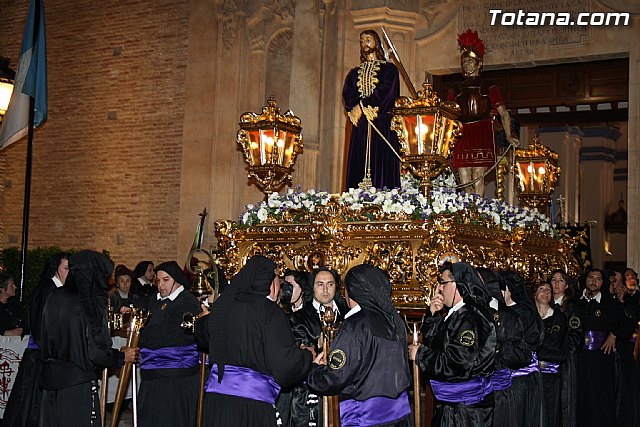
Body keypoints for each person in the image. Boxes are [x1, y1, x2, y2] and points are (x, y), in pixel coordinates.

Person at [195, 255, 314, 427]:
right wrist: (306, 357)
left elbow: (203, 335)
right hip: (251, 405)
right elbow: (285, 366)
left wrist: (202, 321)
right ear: (271, 283)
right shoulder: (270, 312)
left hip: (216, 403)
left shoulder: (224, 306)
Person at [39, 250, 138, 427]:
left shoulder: (54, 296)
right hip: (78, 384)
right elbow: (96, 352)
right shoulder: (89, 302)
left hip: (50, 383)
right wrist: (121, 356)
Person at [307, 264, 411, 426]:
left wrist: (315, 371)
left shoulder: (355, 324)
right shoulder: (392, 320)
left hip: (365, 417)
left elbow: (336, 377)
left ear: (350, 292)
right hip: (398, 416)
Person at [409, 262, 496, 426]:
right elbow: (437, 346)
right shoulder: (456, 313)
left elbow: (456, 364)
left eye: (442, 282)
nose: (439, 288)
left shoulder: (470, 317)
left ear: (457, 285)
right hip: (454, 406)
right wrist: (434, 316)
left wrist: (420, 354)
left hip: (466, 411)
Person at [449, 29, 518, 196]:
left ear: (479, 63)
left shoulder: (489, 87)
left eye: (470, 61)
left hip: (482, 131)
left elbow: (504, 113)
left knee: (478, 176)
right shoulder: (456, 89)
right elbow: (447, 115)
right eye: (464, 62)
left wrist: (509, 135)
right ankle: (470, 210)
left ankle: (476, 214)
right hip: (462, 133)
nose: (467, 65)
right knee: (465, 179)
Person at [2, 253, 68, 427]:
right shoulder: (47, 290)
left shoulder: (57, 289)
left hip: (47, 353)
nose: (70, 273)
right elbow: (40, 324)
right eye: (66, 268)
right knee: (33, 405)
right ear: (56, 269)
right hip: (40, 355)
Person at [135, 260, 201, 427]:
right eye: (158, 280)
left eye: (166, 280)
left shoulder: (187, 301)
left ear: (177, 280)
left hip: (174, 378)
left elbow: (171, 335)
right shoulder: (156, 300)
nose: (161, 285)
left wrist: (144, 336)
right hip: (153, 375)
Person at [288, 268, 348, 426]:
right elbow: (297, 352)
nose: (325, 289)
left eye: (330, 284)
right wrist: (319, 346)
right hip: (310, 392)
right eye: (320, 284)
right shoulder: (299, 318)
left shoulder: (348, 315)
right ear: (312, 287)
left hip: (345, 390)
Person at [343, 29, 401, 190]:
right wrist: (356, 108)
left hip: (381, 123)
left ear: (377, 43)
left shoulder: (390, 70)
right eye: (362, 41)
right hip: (360, 126)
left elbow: (386, 91)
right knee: (358, 161)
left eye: (368, 39)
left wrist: (362, 106)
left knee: (381, 161)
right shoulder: (353, 73)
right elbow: (348, 93)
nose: (364, 43)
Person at [477, 267, 530, 427]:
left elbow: (523, 355)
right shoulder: (471, 312)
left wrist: (498, 347)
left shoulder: (510, 317)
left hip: (498, 393)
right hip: (473, 394)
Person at [575, 268, 625, 427]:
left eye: (598, 279)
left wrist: (614, 334)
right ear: (585, 279)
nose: (593, 281)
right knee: (581, 393)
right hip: (579, 356)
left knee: (602, 394)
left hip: (602, 356)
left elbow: (623, 322)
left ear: (602, 283)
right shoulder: (575, 301)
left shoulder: (609, 302)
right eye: (590, 277)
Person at [500, 271, 544, 427]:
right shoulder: (500, 311)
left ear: (509, 290)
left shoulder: (524, 312)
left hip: (520, 376)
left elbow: (531, 341)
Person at [549, 269, 583, 427]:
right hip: (546, 361)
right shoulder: (544, 303)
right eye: (553, 280)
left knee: (565, 401)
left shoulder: (572, 308)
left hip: (565, 361)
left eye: (560, 280)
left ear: (567, 285)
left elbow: (576, 338)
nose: (556, 283)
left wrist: (559, 350)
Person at [534, 282, 568, 427]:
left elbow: (554, 345)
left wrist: (534, 351)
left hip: (550, 376)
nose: (545, 292)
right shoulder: (528, 317)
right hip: (530, 376)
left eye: (548, 290)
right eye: (541, 289)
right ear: (534, 294)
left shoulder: (558, 318)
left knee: (550, 413)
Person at [611, 271, 640, 426]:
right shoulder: (615, 300)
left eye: (632, 277)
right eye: (626, 278)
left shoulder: (634, 300)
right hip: (619, 348)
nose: (630, 280)